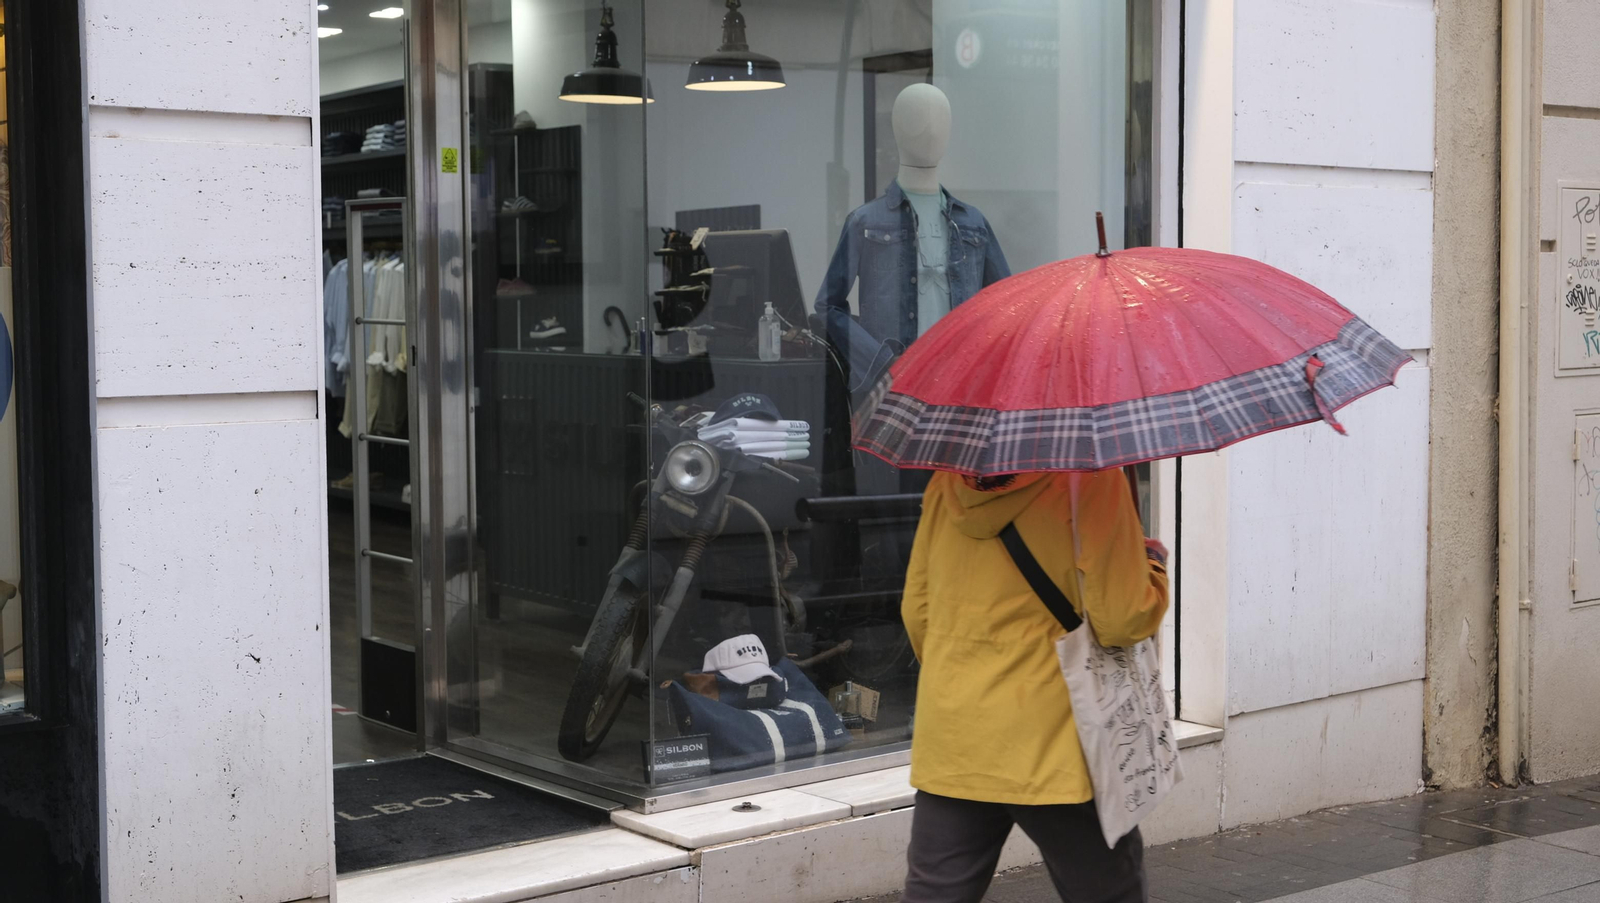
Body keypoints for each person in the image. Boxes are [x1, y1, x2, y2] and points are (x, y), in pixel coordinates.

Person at [899, 468, 1170, 903]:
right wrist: (1152, 566)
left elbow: (917, 612)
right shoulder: (1092, 477)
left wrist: (962, 679)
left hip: (954, 735)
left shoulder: (947, 482)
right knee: (1107, 888)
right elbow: (1122, 619)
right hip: (1054, 735)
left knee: (935, 894)